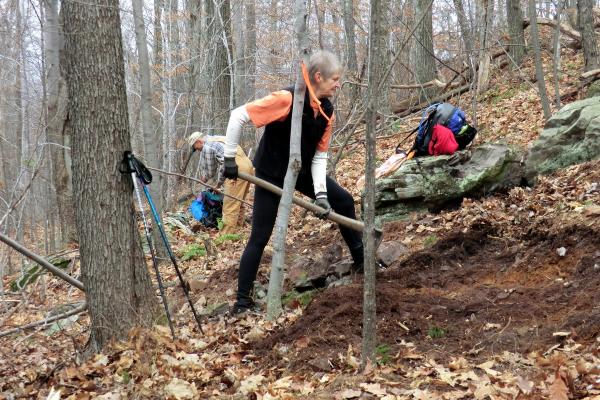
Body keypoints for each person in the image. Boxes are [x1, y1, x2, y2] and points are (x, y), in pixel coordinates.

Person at [222, 50, 364, 314]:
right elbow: (238, 115)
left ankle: (363, 262)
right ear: (318, 77)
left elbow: (320, 157)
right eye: (334, 79)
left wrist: (320, 194)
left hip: (302, 171)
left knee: (343, 201)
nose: (338, 84)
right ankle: (242, 303)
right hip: (270, 173)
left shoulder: (327, 111)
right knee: (260, 236)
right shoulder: (287, 99)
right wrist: (229, 158)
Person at [187, 132, 254, 234]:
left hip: (236, 170)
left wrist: (207, 180)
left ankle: (226, 236)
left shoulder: (207, 147)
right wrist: (218, 184)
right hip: (247, 165)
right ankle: (238, 229)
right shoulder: (216, 138)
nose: (197, 150)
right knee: (239, 201)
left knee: (229, 205)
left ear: (199, 141)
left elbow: (211, 171)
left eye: (195, 147)